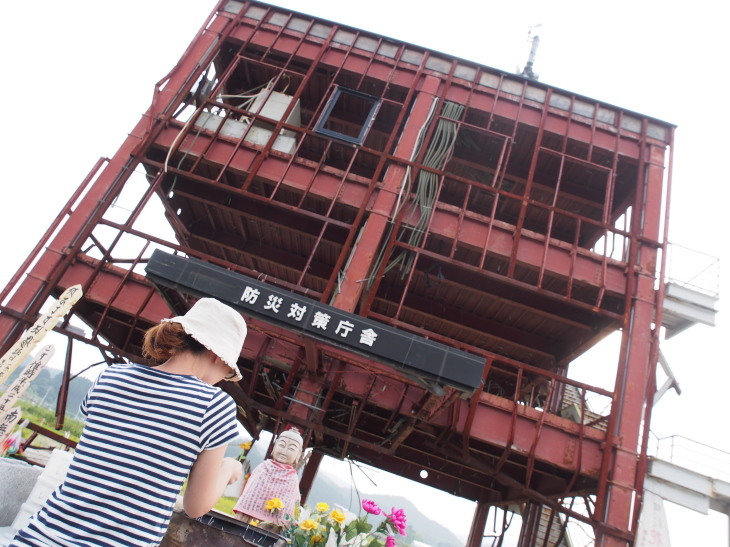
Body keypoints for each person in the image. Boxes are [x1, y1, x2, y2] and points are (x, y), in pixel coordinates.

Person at [10, 297, 248, 547]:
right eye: (228, 372)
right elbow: (196, 506)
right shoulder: (214, 404)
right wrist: (228, 468)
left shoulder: (110, 377)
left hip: (38, 536)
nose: (223, 378)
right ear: (218, 356)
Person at [233, 427, 303, 529]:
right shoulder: (263, 467)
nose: (284, 451)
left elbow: (291, 502)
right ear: (274, 447)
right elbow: (251, 493)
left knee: (272, 528)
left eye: (291, 449)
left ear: (298, 455)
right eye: (281, 445)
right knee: (240, 525)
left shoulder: (292, 478)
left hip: (270, 526)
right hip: (246, 517)